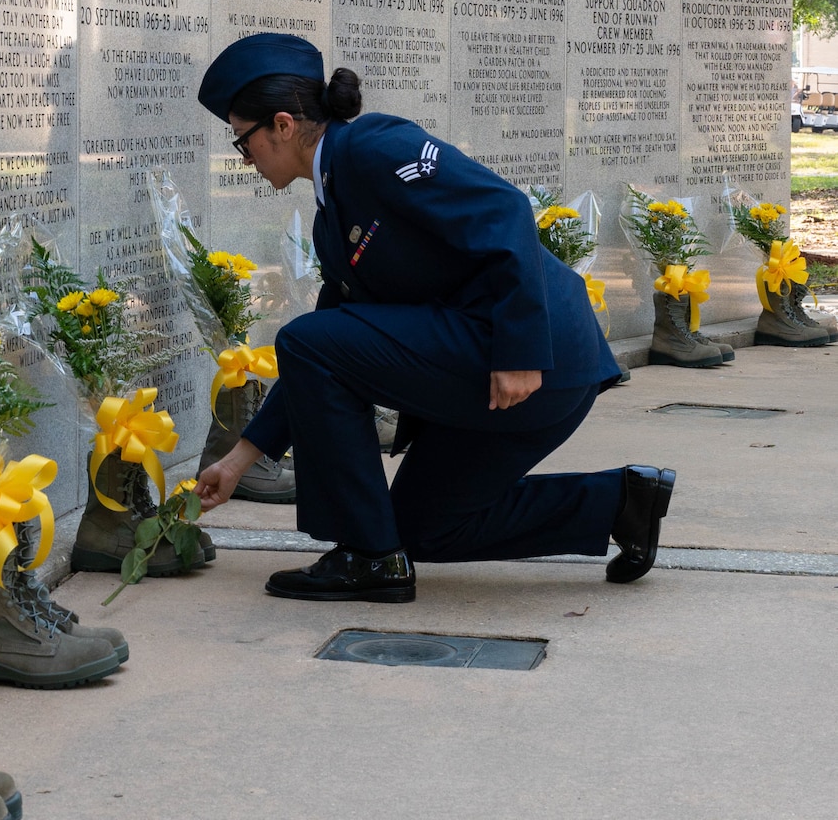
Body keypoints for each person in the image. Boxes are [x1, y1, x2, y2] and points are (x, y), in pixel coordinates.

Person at [193, 31, 676, 602]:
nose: (244, 160)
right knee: (422, 525)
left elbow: (503, 208)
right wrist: (240, 458)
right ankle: (622, 503)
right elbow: (323, 355)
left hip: (534, 362)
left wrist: (519, 349)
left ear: (281, 124)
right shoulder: (333, 218)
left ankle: (368, 559)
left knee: (307, 341)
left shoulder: (372, 147)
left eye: (242, 142)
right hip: (510, 378)